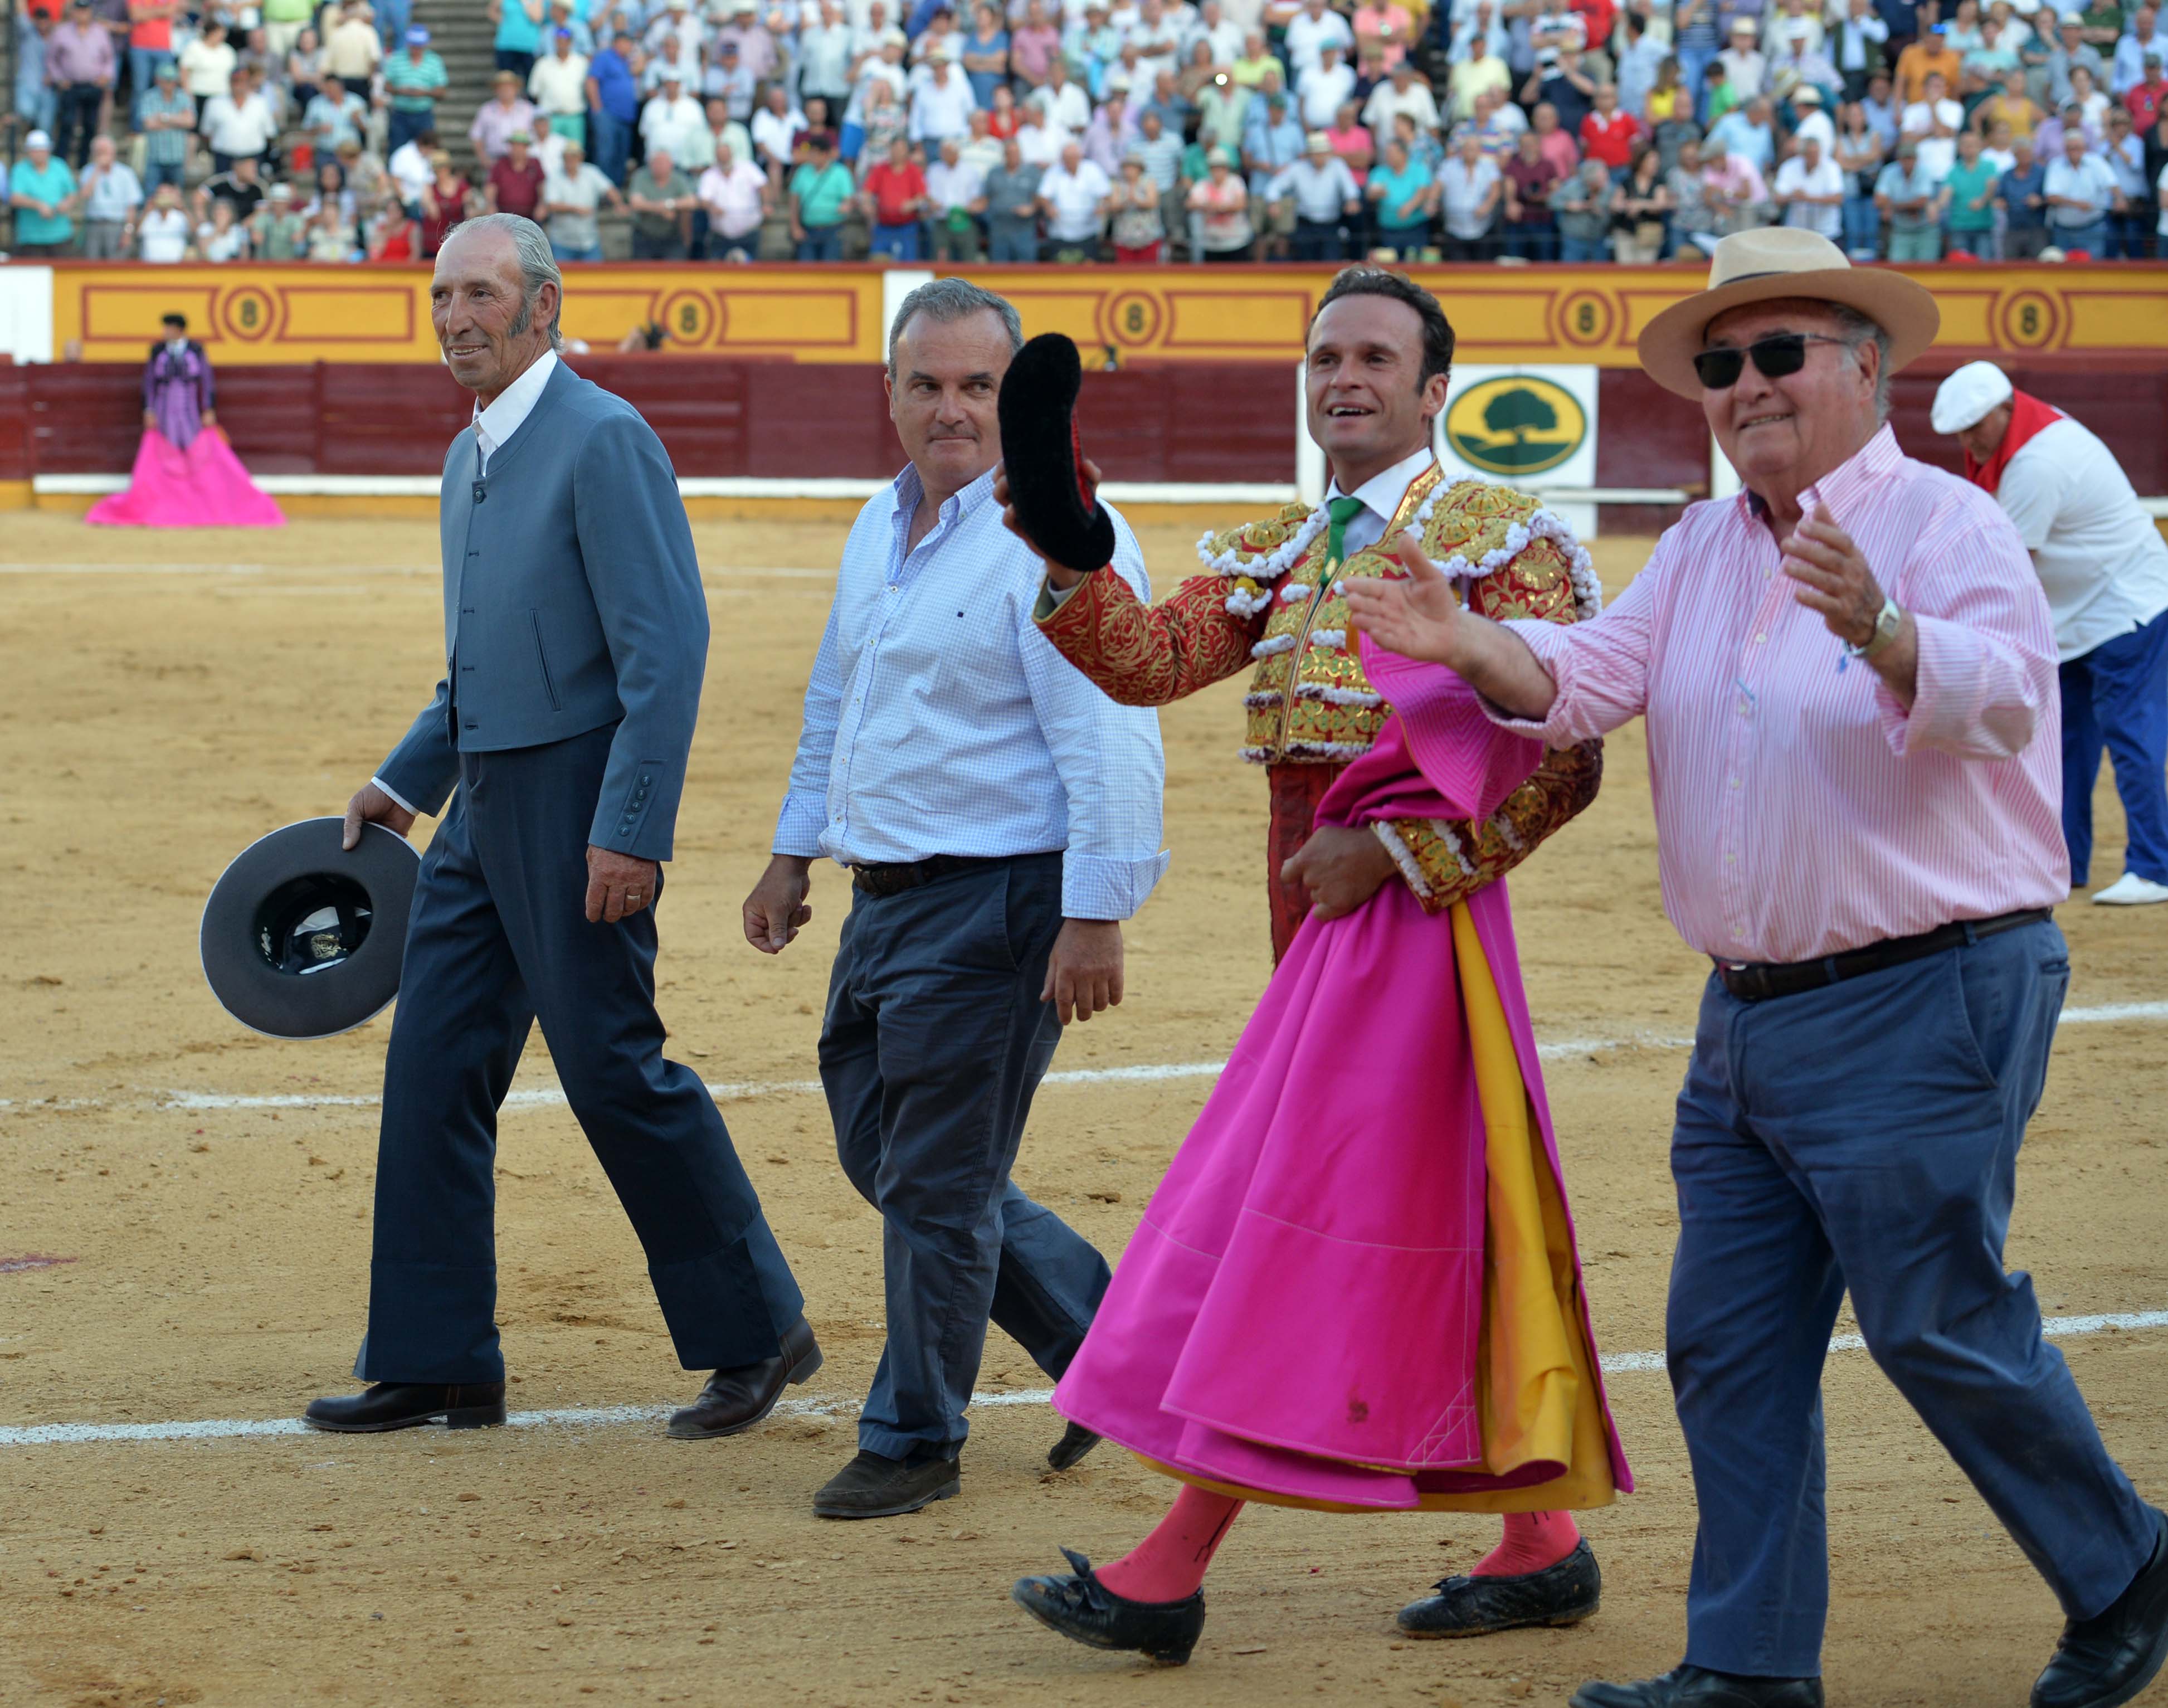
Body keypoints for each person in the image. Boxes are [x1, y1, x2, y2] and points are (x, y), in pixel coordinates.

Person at [1346, 226, 2168, 1708]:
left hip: (1929, 992)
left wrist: (1883, 627)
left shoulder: (1944, 525)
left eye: (1776, 354)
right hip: (1745, 1017)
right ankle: (1746, 1665)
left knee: (1937, 1326)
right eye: (1722, 365)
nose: (1744, 386)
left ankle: (2124, 1564)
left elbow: (2004, 706)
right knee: (1726, 1346)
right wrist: (1469, 640)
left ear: (1865, 366)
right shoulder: (1704, 548)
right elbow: (1589, 685)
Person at [1007, 265, 1620, 1663]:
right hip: (1312, 938)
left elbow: (1563, 755)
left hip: (1420, 932)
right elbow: (1150, 660)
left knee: (1287, 1221)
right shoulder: (1279, 543)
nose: (1341, 375)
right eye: (1323, 354)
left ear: (1430, 391)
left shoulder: (1493, 538)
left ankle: (1167, 1565)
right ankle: (1538, 1538)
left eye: (1372, 357)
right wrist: (1059, 528)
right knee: (1409, 1224)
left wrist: (1400, 862)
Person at [305, 214, 814, 1441]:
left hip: (581, 802)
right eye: (440, 297)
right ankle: (436, 1358)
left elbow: (664, 648)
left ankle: (757, 1328)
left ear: (542, 304)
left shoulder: (603, 438)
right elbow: (477, 659)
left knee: (609, 1067)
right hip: (481, 805)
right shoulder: (464, 454)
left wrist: (629, 825)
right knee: (430, 1068)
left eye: (479, 294)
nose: (455, 317)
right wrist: (404, 780)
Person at [748, 279, 1165, 1519]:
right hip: (886, 892)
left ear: (1013, 395)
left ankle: (915, 1429)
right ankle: (1102, 1340)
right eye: (925, 384)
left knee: (932, 1179)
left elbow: (1112, 726)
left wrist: (1095, 909)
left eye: (978, 385)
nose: (951, 409)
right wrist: (793, 850)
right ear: (889, 393)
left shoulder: (1061, 530)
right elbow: (840, 700)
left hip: (1001, 900)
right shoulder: (877, 528)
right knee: (887, 1146)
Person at [1934, 362, 2168, 907]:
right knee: (2063, 744)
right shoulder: (2023, 439)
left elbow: (2008, 571)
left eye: (1975, 427)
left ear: (2004, 410)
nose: (1968, 441)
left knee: (2130, 735)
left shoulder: (2038, 462)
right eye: (1961, 432)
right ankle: (2063, 862)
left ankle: (2155, 867)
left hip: (2126, 608)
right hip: (2077, 616)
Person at [86, 312, 282, 528]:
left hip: (190, 410)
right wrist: (149, 409)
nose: (165, 332)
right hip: (164, 409)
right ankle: (170, 505)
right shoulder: (158, 351)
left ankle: (197, 505)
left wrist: (208, 409)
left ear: (179, 330)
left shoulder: (196, 350)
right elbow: (149, 382)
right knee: (166, 455)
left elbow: (206, 381)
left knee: (195, 454)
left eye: (168, 328)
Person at [1267, 128, 1360, 258]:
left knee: (1331, 262)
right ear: (1309, 154)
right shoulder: (1298, 168)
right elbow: (1274, 186)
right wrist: (1273, 202)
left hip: (1331, 225)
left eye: (1323, 153)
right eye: (1316, 153)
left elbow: (1350, 188)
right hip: (1305, 225)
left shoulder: (1338, 166)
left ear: (1329, 153)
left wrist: (1352, 200)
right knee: (1306, 263)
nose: (1320, 157)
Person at [542, 137, 623, 261]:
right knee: (561, 279)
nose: (571, 160)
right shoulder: (555, 176)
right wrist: (575, 209)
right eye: (568, 156)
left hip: (589, 241)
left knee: (596, 279)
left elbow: (609, 189)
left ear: (581, 157)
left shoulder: (591, 172)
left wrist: (619, 203)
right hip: (562, 242)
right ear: (563, 158)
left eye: (574, 156)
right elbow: (551, 205)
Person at [1039, 138, 1113, 260]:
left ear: (1080, 157)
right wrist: (1049, 208)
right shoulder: (1054, 171)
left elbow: (1107, 195)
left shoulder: (1092, 169)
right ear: (1062, 159)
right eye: (1067, 159)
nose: (1070, 162)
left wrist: (1102, 207)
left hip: (1088, 232)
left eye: (1073, 158)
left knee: (1089, 272)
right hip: (1060, 232)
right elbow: (1043, 196)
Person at [9, 130, 79, 257]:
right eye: (35, 150)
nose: (39, 154)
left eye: (42, 150)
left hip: (60, 234)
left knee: (64, 274)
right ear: (29, 152)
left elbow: (72, 194)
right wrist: (38, 205)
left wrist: (65, 204)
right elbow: (15, 198)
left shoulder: (60, 166)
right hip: (31, 237)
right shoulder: (20, 169)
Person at [862, 133, 930, 259]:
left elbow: (923, 197)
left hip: (907, 226)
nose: (897, 152)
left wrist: (912, 204)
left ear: (907, 152)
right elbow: (867, 192)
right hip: (884, 225)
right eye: (895, 149)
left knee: (908, 265)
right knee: (878, 260)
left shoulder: (914, 171)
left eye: (901, 149)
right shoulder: (880, 170)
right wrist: (867, 204)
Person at [788, 130, 855, 260]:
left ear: (825, 154)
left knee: (831, 272)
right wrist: (795, 226)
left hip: (833, 230)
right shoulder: (803, 172)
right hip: (808, 230)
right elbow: (794, 200)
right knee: (806, 271)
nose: (811, 157)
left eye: (815, 154)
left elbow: (849, 199)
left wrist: (846, 206)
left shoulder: (840, 173)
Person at [697, 139, 767, 260]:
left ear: (732, 154)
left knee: (753, 274)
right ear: (716, 157)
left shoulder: (748, 168)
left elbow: (763, 186)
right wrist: (712, 207)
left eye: (726, 154)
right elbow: (703, 200)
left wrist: (767, 204)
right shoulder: (709, 176)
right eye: (721, 155)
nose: (724, 158)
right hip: (721, 236)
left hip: (749, 234)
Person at [77, 132, 142, 257]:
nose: (102, 155)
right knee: (91, 265)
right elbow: (85, 195)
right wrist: (97, 170)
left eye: (105, 151)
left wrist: (128, 232)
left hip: (117, 225)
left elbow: (131, 207)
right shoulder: (88, 171)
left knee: (116, 265)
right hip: (94, 225)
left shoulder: (126, 173)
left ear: (113, 152)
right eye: (99, 152)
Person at [1772, 131, 1847, 239]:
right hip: (1797, 231)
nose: (1814, 158)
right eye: (1810, 154)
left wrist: (1807, 198)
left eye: (1816, 154)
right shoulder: (1789, 167)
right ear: (1803, 154)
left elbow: (1838, 198)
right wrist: (1792, 195)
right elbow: (1777, 199)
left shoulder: (1831, 167)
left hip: (1826, 231)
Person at [627, 146, 695, 257]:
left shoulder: (679, 179)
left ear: (671, 165)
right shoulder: (640, 176)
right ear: (650, 164)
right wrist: (661, 209)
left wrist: (668, 204)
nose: (660, 166)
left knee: (675, 273)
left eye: (663, 163)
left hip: (672, 236)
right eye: (656, 162)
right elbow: (635, 203)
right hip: (644, 236)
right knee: (642, 274)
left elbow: (691, 202)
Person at [985, 137, 1044, 259]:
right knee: (999, 272)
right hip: (999, 229)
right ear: (1004, 155)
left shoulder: (1032, 173)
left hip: (1024, 229)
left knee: (1026, 272)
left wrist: (1032, 207)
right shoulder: (994, 173)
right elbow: (985, 198)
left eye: (1016, 153)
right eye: (1009, 153)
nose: (1013, 156)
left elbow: (1041, 198)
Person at [485, 129, 546, 221]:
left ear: (526, 147)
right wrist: (491, 204)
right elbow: (491, 187)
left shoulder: (535, 164)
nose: (517, 149)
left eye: (520, 146)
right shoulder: (501, 164)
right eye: (514, 146)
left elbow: (541, 186)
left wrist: (542, 204)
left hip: (530, 215)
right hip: (504, 214)